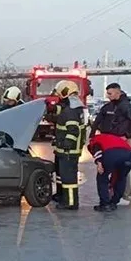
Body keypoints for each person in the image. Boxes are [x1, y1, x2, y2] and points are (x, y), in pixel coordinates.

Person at [90, 83, 131, 203]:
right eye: (107, 93)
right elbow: (98, 121)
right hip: (108, 140)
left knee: (121, 170)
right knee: (108, 167)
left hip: (121, 140)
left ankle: (123, 194)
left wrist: (127, 135)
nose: (108, 96)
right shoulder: (108, 107)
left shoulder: (125, 106)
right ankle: (114, 192)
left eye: (110, 94)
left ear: (118, 93)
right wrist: (92, 135)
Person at [52, 80, 87, 210]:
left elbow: (73, 130)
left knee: (69, 179)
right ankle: (63, 197)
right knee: (63, 177)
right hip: (68, 150)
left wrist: (66, 144)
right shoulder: (74, 107)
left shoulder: (70, 111)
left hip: (68, 151)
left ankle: (70, 203)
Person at [88, 133, 131, 212]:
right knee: (121, 178)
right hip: (129, 155)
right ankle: (114, 202)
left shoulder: (94, 140)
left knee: (102, 178)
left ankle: (105, 204)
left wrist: (99, 163)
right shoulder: (112, 138)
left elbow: (97, 151)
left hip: (111, 154)